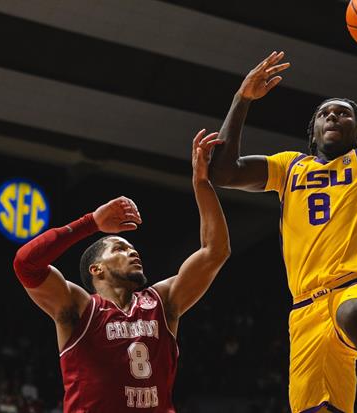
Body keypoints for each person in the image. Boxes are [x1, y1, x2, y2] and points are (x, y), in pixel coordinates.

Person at [208, 1, 357, 411]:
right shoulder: (289, 167)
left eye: (343, 114)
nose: (332, 116)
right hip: (307, 312)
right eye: (324, 114)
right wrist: (243, 97)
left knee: (354, 314)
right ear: (312, 131)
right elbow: (222, 172)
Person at [13, 130, 229, 412]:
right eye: (119, 248)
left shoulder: (162, 302)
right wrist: (91, 222)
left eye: (131, 249)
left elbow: (215, 252)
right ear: (96, 269)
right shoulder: (79, 308)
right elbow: (26, 264)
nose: (132, 252)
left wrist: (201, 183)